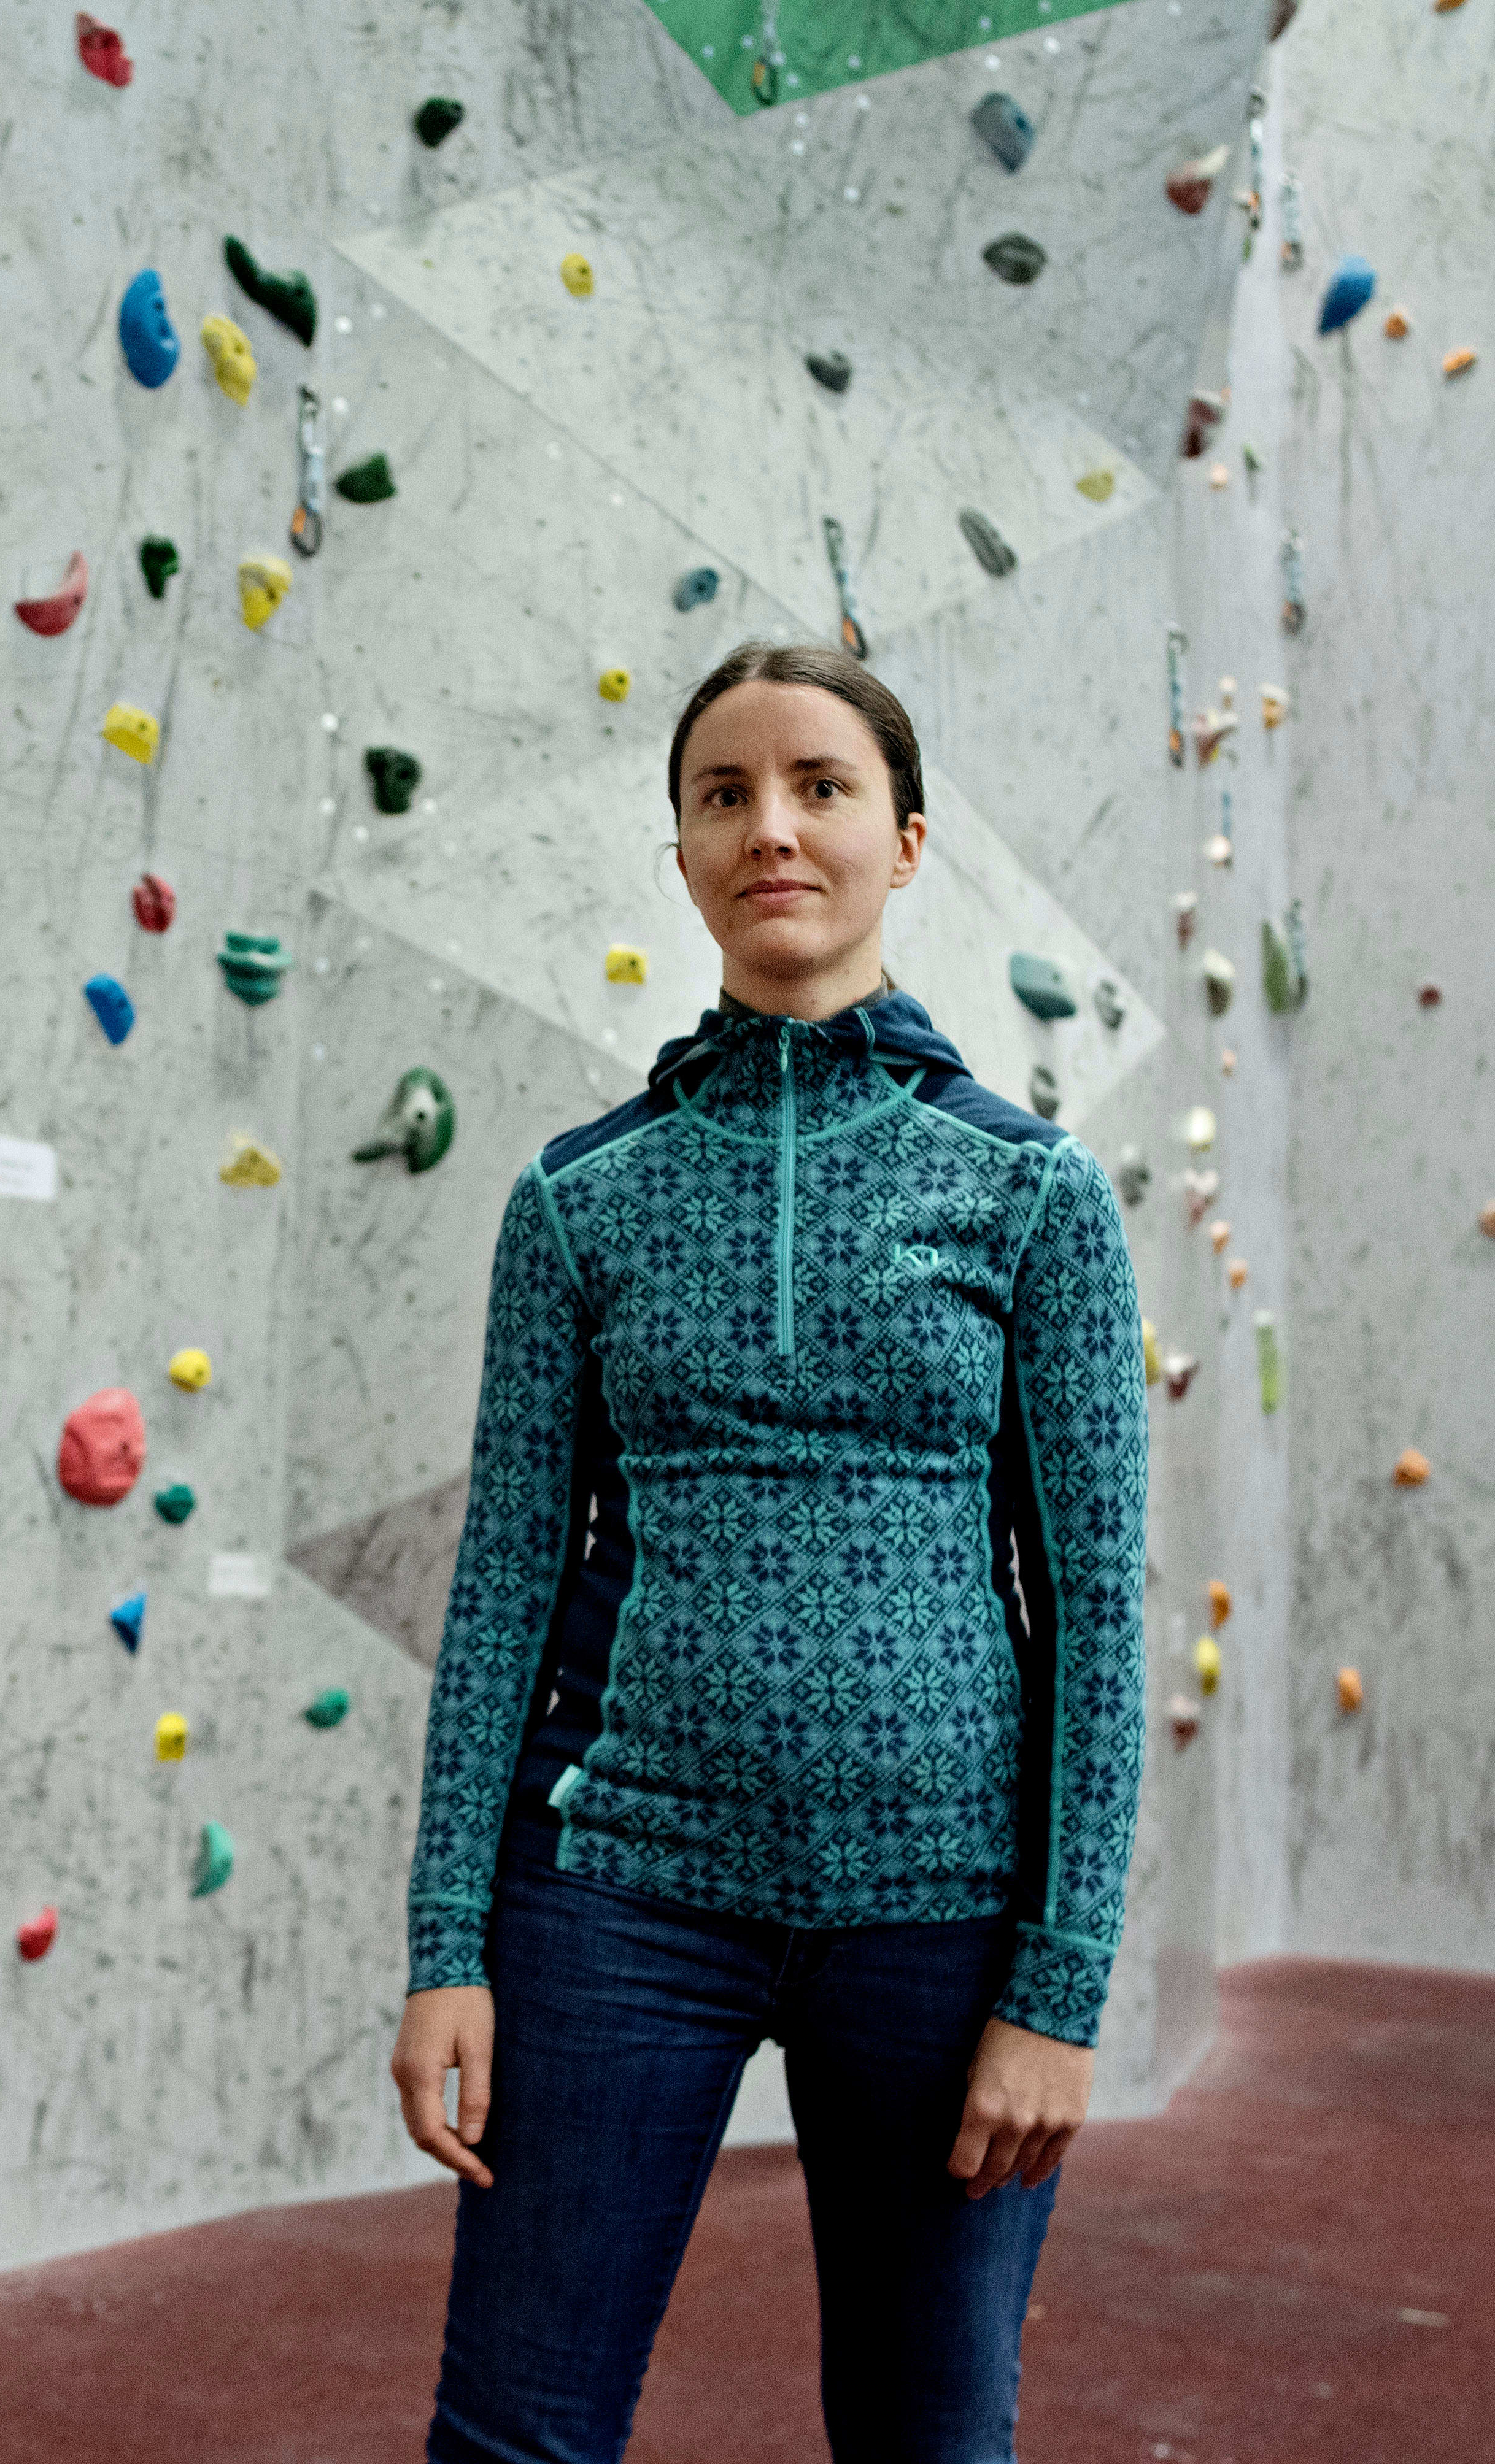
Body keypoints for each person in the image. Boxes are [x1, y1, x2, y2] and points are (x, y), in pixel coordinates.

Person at [389, 642, 1149, 2464]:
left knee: (929, 2437)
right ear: (682, 853)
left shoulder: (1032, 1194)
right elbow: (503, 1589)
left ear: (907, 840)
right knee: (513, 2439)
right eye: (725, 795)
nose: (773, 830)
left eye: (820, 788)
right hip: (617, 1897)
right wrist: (445, 1946)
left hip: (944, 1913)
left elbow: (1097, 1616)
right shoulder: (580, 1196)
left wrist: (1058, 1990)